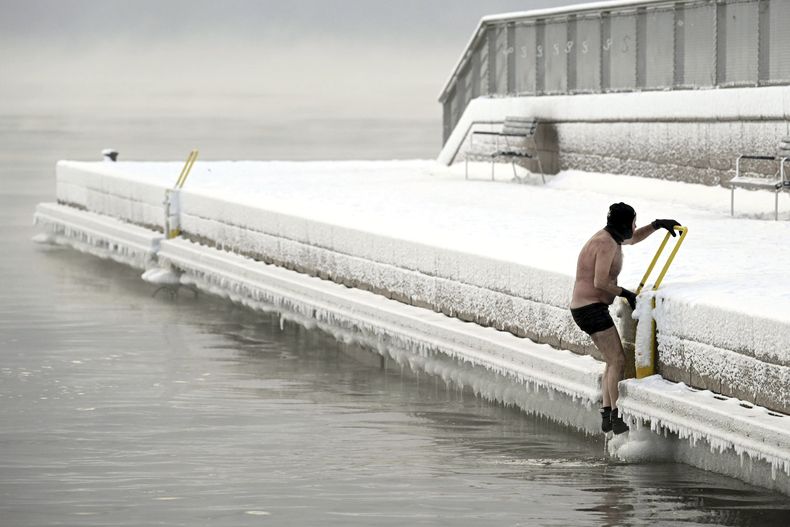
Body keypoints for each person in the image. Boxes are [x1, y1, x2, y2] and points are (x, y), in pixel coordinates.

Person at [570, 203, 680, 434]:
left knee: (612, 361)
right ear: (624, 223)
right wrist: (625, 293)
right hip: (590, 309)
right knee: (618, 360)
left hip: (591, 307)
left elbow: (633, 238)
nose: (635, 226)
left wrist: (657, 225)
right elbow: (600, 283)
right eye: (633, 222)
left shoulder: (612, 238)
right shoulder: (605, 243)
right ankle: (615, 415)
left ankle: (608, 414)